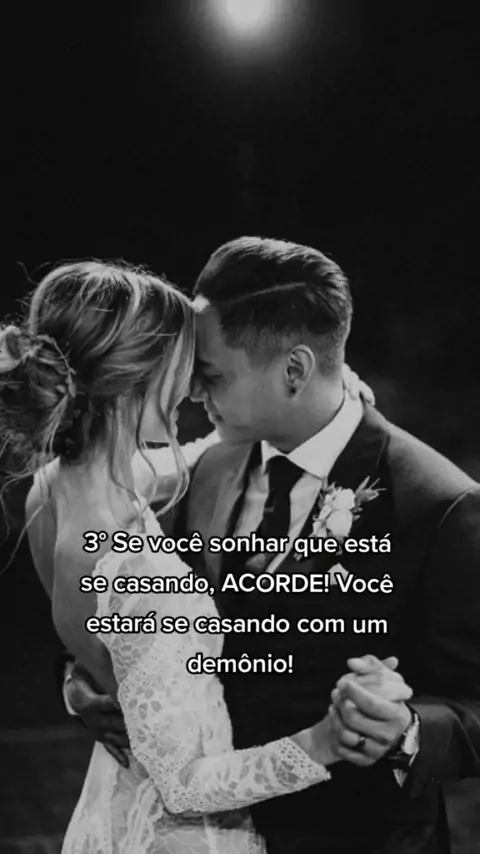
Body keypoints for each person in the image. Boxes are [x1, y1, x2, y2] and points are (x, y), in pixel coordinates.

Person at [70, 238, 480, 853]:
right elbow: (129, 597)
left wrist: (409, 728)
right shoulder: (203, 467)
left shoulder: (438, 505)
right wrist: (80, 677)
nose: (193, 392)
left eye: (211, 375)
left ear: (294, 370)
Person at [0, 259, 410, 854]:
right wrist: (324, 741)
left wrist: (327, 395)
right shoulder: (136, 569)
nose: (193, 388)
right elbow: (186, 785)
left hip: (112, 811)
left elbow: (185, 461)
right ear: (136, 380)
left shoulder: (50, 493)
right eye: (183, 366)